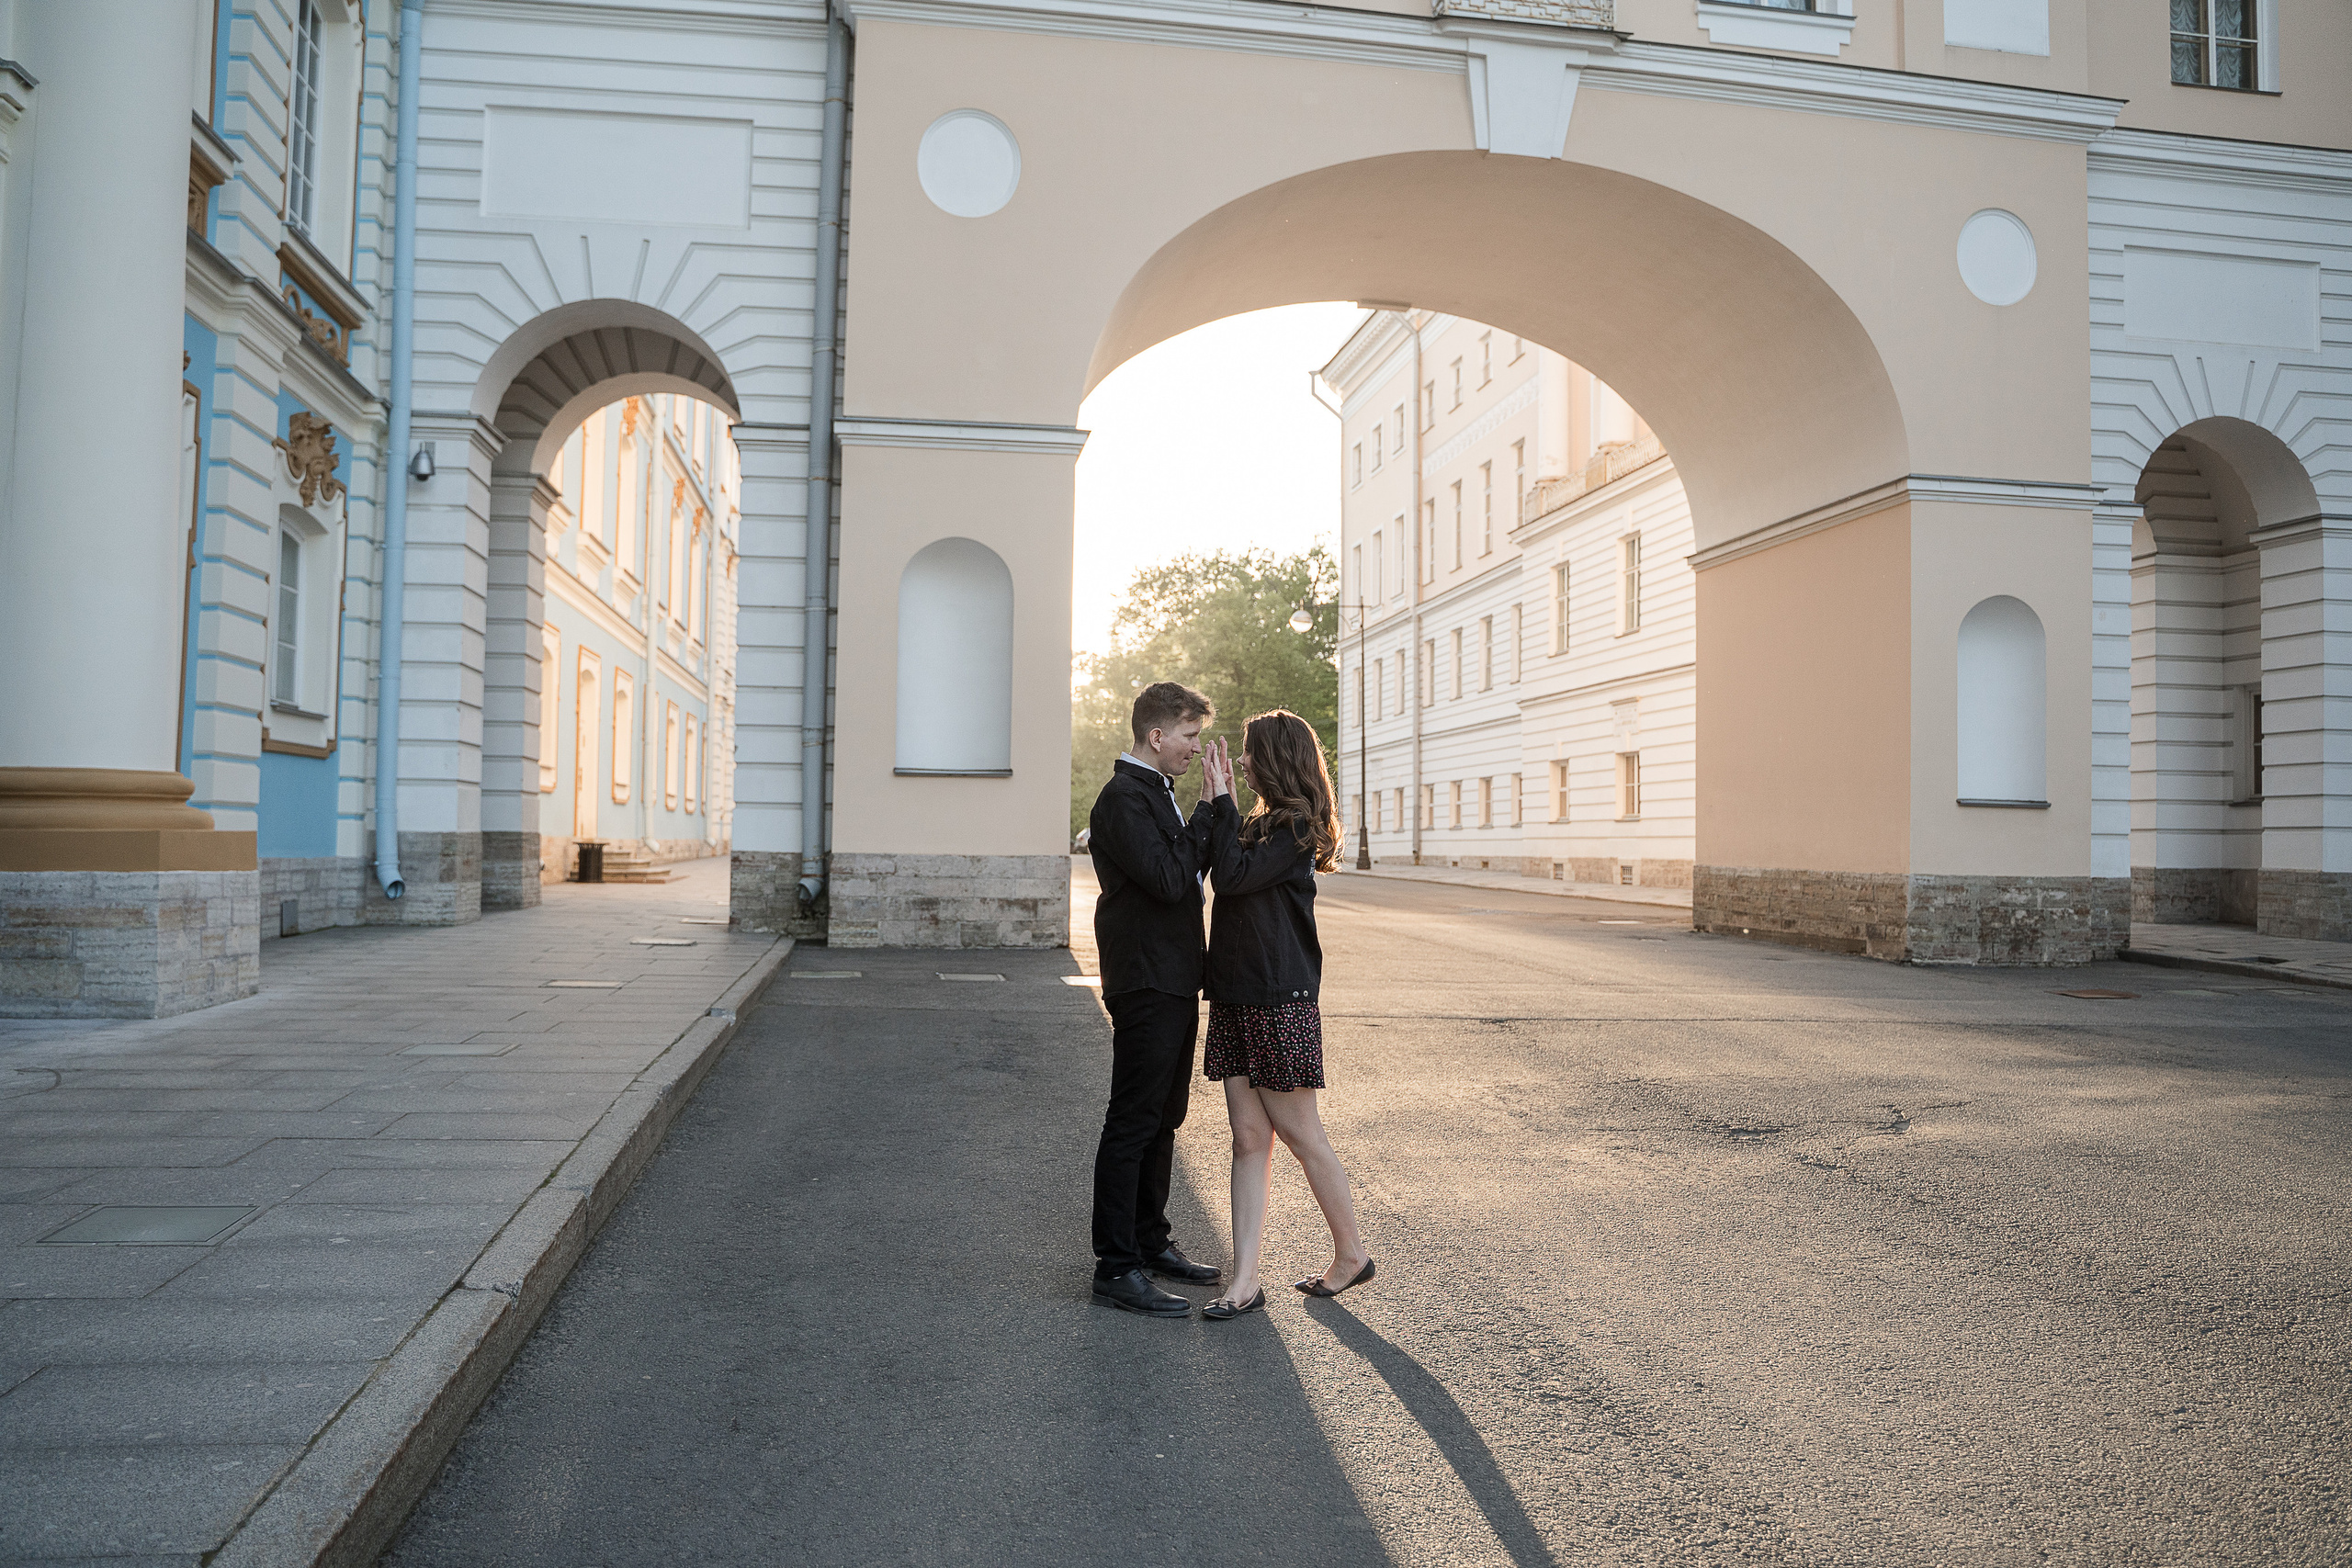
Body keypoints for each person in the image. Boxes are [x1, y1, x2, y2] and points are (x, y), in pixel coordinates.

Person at [1193, 712, 1372, 1321]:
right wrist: (1218, 805)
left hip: (1278, 1001)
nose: (1242, 762)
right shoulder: (1259, 823)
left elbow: (1230, 877)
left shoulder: (1295, 827)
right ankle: (1245, 1280)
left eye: (1249, 753)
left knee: (1300, 1134)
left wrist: (1223, 803)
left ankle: (1351, 1253)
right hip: (1238, 997)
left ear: (1273, 758)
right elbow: (1217, 866)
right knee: (1248, 1139)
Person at [1084, 682, 1227, 1316]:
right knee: (1134, 1119)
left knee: (1164, 1116)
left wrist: (1208, 814)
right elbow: (1172, 880)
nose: (1196, 747)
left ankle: (1150, 1241)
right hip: (1144, 978)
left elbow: (1186, 871)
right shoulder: (1123, 798)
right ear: (1157, 734)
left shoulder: (1155, 792)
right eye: (1190, 736)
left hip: (1172, 976)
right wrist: (1206, 812)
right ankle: (1116, 1266)